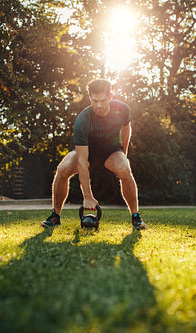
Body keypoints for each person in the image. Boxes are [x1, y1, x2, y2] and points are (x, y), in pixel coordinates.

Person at [41, 79, 147, 230]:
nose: (98, 105)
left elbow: (126, 128)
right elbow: (82, 162)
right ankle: (55, 216)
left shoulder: (122, 109)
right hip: (87, 151)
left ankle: (136, 217)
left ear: (110, 96)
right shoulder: (83, 120)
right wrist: (88, 197)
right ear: (89, 97)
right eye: (94, 100)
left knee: (125, 168)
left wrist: (123, 153)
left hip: (111, 151)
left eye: (102, 100)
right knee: (62, 169)